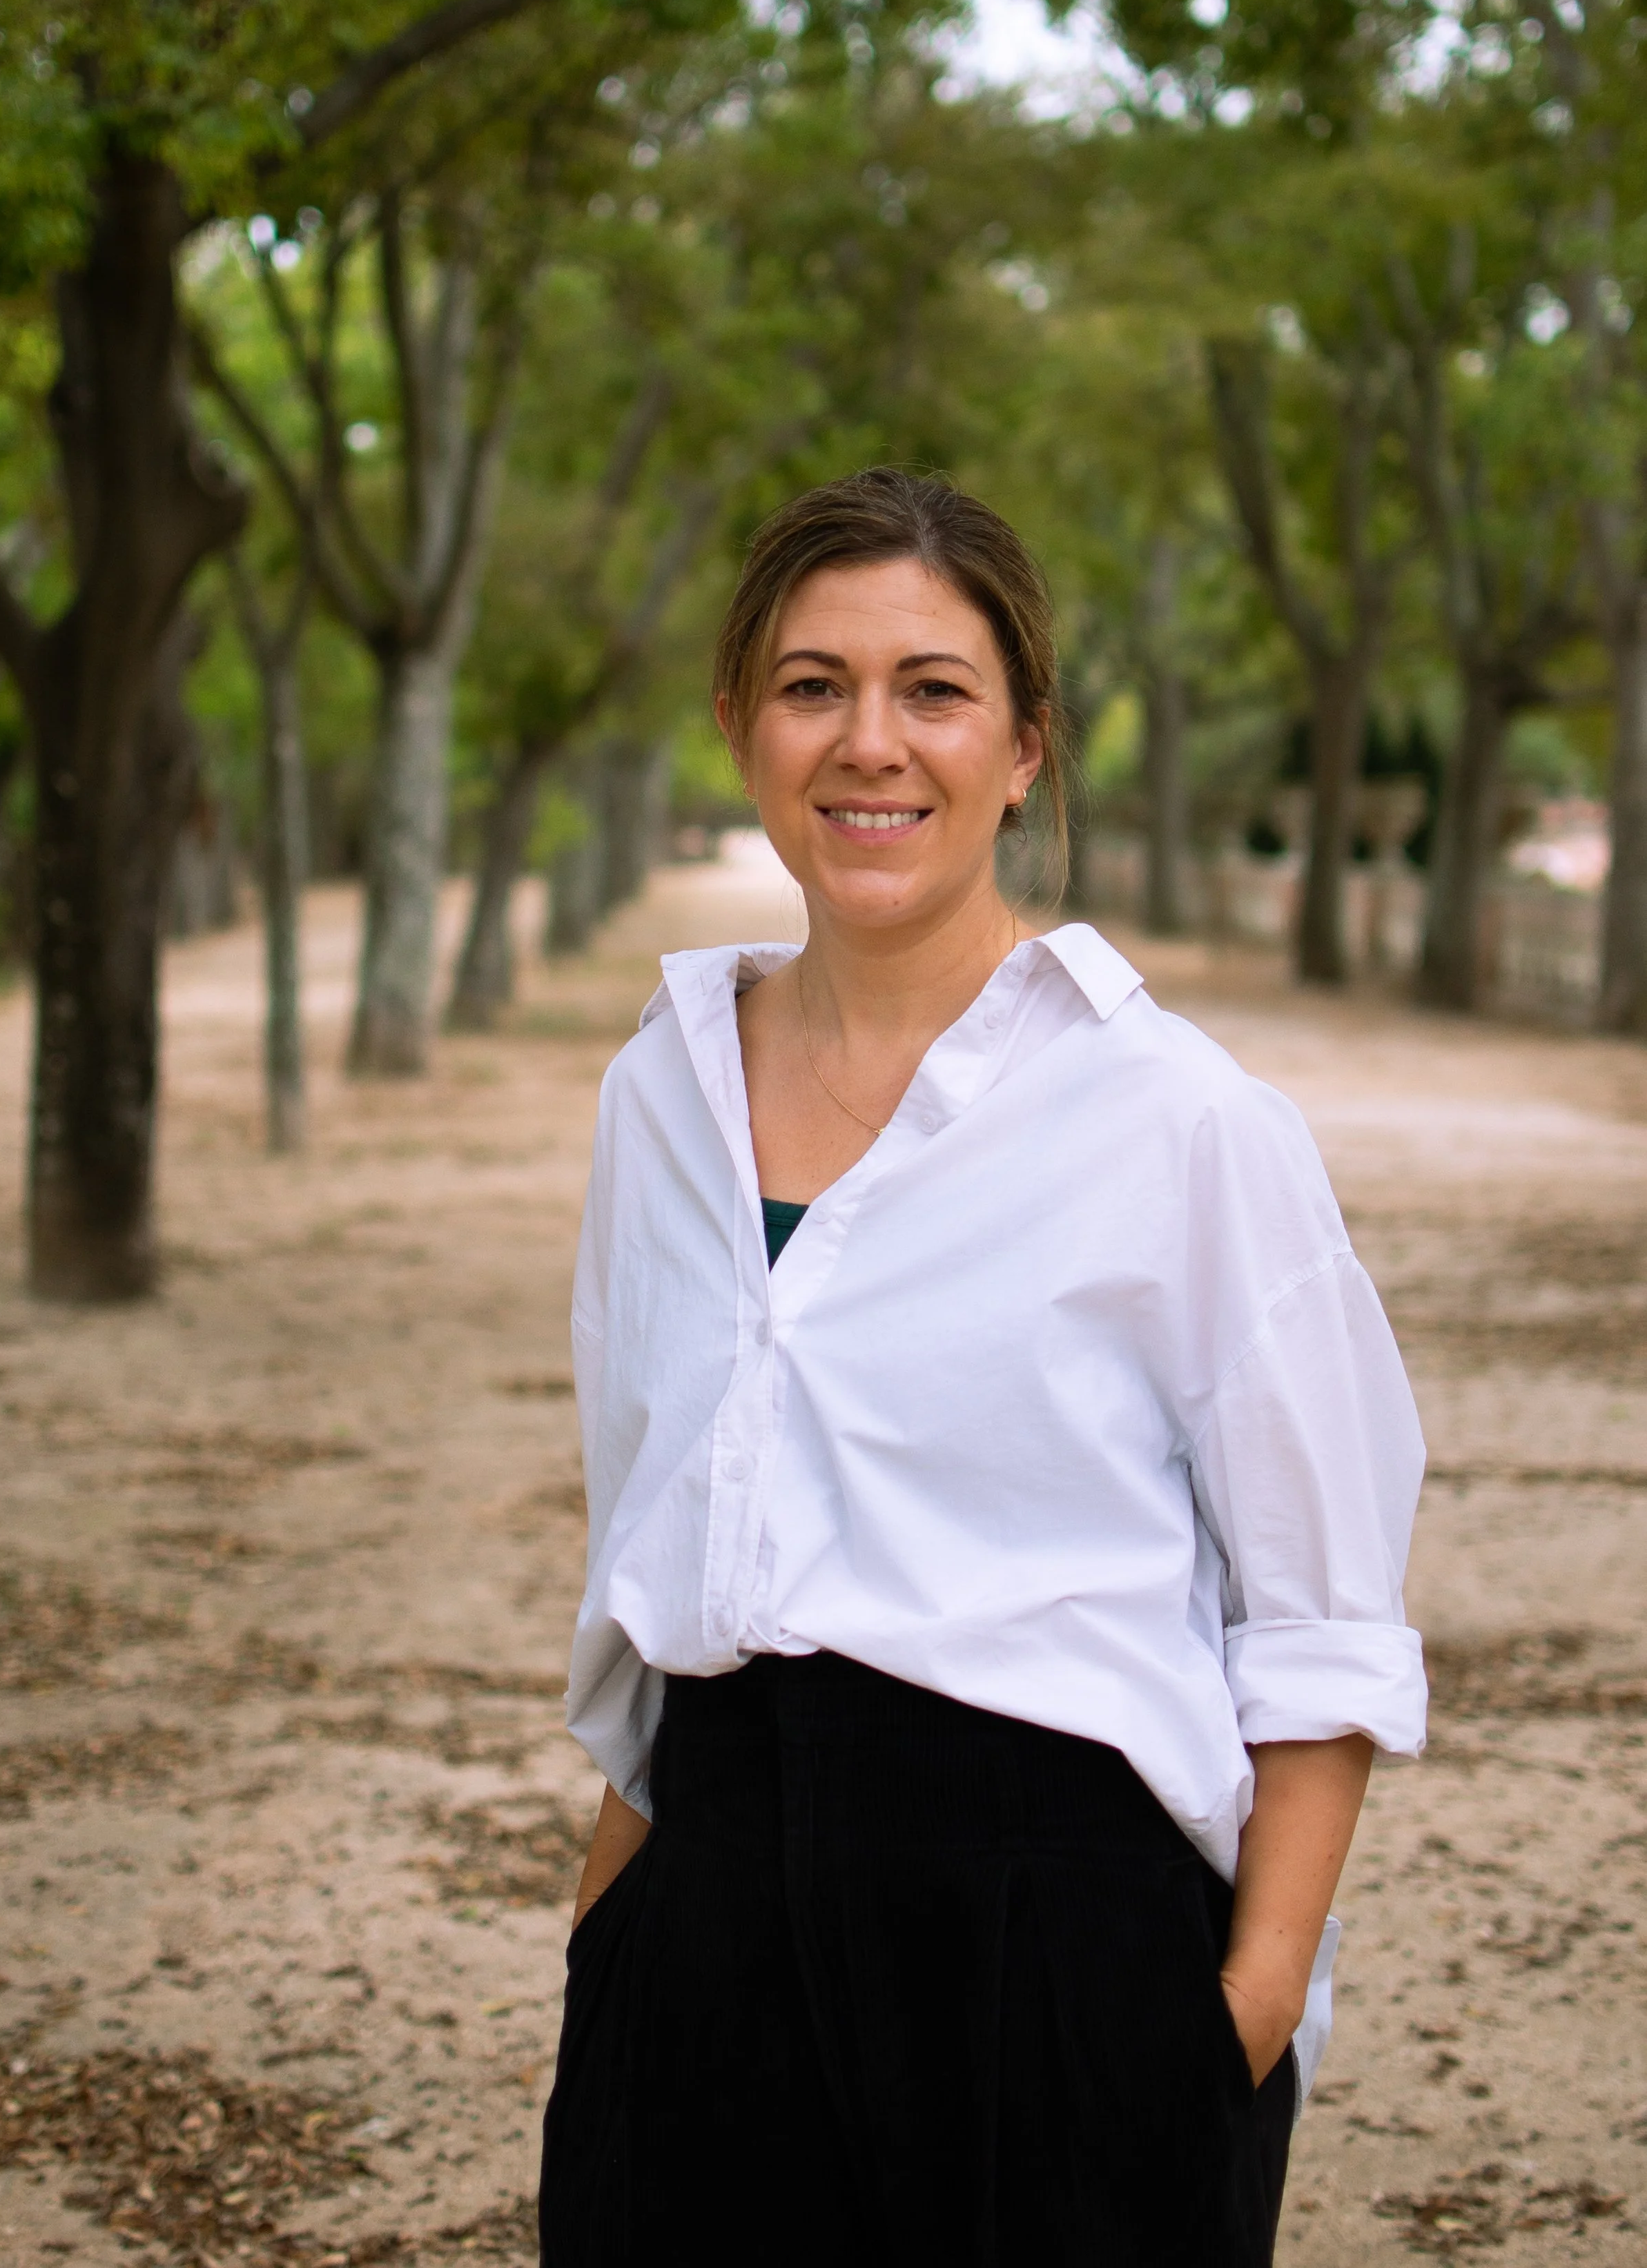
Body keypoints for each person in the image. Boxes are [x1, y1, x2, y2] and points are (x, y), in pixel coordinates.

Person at [539, 469, 1425, 2267]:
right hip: (698, 1937)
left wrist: (1229, 2034)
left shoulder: (1180, 1123)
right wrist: (607, 1953)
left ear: (1025, 746)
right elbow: (661, 1541)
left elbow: (1321, 1627)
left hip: (1059, 1969)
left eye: (934, 689)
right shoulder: (662, 1099)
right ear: (741, 729)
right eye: (813, 685)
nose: (872, 743)